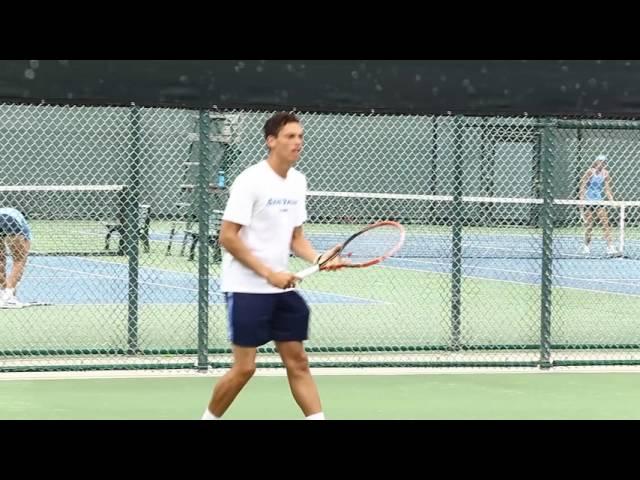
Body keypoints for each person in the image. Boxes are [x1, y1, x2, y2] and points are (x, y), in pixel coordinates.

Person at [201, 112, 342, 420]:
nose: (298, 142)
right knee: (244, 368)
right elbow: (227, 237)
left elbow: (296, 238)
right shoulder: (250, 181)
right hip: (246, 286)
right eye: (290, 136)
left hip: (281, 289)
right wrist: (268, 273)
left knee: (298, 361)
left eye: (301, 136)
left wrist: (319, 259)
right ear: (271, 141)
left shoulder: (298, 182)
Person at [578, 154, 617, 255]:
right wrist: (581, 201)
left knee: (606, 225)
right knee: (589, 226)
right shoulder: (590, 172)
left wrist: (612, 201)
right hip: (588, 201)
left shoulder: (606, 174)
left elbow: (607, 189)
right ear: (596, 162)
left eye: (604, 162)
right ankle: (586, 246)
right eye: (600, 161)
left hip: (599, 201)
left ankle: (610, 247)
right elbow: (582, 186)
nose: (602, 164)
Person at [0, 207, 32, 307]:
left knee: (1, 259)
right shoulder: (26, 229)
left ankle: (2, 294)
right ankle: (9, 296)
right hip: (11, 221)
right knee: (20, 260)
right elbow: (23, 256)